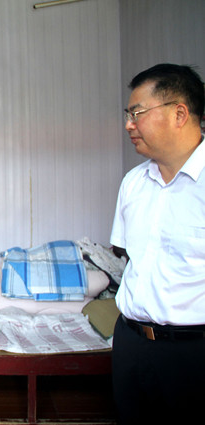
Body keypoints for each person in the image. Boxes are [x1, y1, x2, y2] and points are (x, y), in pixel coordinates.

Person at [110, 64, 205, 424]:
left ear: (179, 113)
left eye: (137, 113)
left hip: (192, 354)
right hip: (131, 343)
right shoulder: (133, 183)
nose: (128, 125)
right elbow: (128, 258)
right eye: (128, 114)